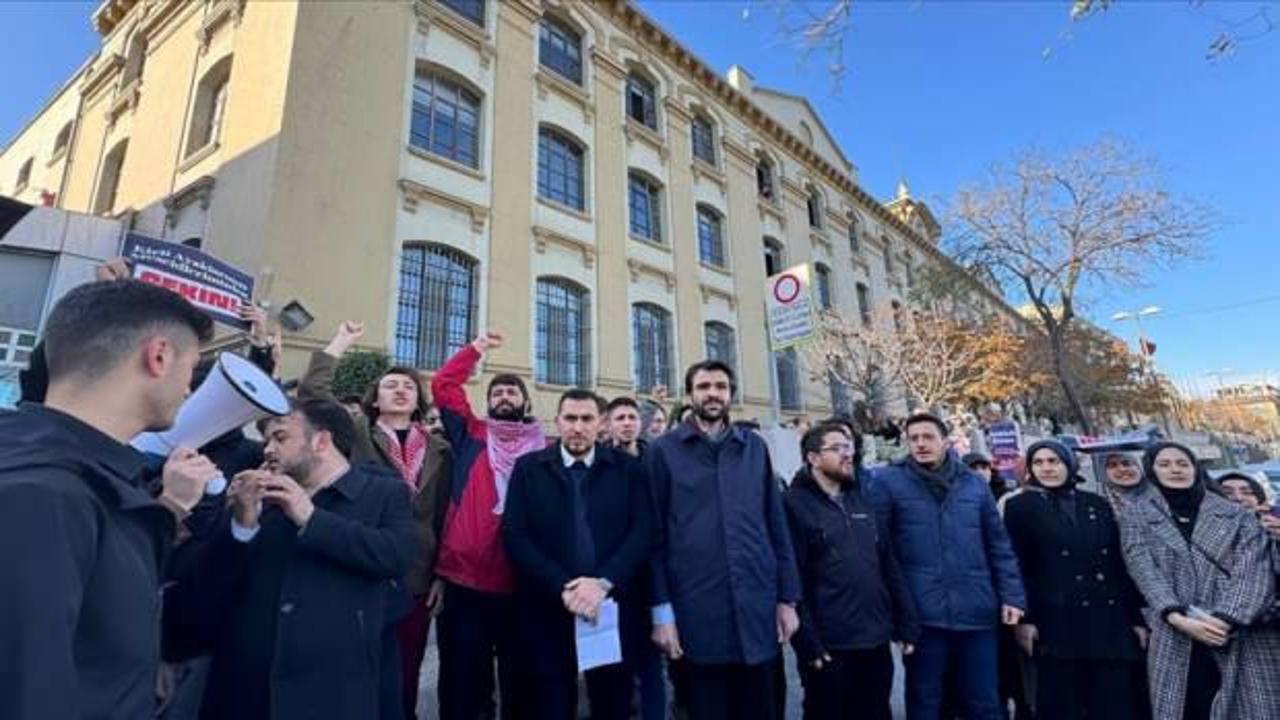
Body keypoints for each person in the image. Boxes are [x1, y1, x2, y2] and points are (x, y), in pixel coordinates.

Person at [0, 279, 216, 719]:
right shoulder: (44, 498)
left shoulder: (68, 480)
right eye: (192, 370)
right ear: (159, 356)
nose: (190, 390)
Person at [165, 398, 417, 719]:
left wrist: (310, 518)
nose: (268, 449)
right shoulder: (257, 497)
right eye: (267, 439)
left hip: (334, 690)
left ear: (321, 441)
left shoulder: (383, 492)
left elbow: (396, 555)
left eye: (280, 438)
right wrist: (240, 526)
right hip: (247, 690)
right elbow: (210, 583)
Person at [300, 320, 453, 719]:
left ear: (418, 399)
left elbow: (442, 516)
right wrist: (340, 343)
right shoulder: (355, 434)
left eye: (408, 386)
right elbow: (313, 396)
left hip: (417, 576)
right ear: (375, 399)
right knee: (354, 668)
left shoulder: (439, 449)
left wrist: (441, 575)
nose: (400, 390)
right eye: (390, 385)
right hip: (359, 567)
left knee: (405, 671)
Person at [646, 360, 801, 720]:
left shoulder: (754, 449)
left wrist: (787, 598)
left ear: (731, 394)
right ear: (690, 395)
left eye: (720, 386)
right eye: (703, 386)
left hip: (756, 609)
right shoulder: (663, 451)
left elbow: (775, 525)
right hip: (696, 612)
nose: (712, 393)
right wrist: (661, 613)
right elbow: (653, 537)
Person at [502, 389, 655, 719]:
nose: (578, 427)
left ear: (600, 424)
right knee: (550, 704)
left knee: (613, 702)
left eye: (586, 419)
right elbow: (516, 536)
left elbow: (643, 532)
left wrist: (602, 583)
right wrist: (564, 586)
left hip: (610, 608)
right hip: (547, 607)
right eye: (570, 418)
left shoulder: (629, 471)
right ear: (557, 422)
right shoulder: (528, 469)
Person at [867, 412, 1026, 720]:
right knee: (926, 702)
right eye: (913, 439)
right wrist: (897, 613)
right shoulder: (888, 482)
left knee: (985, 701)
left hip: (976, 612)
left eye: (928, 437)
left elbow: (998, 545)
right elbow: (880, 551)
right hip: (922, 617)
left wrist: (1012, 595)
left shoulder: (973, 483)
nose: (921, 444)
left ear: (946, 442)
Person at [431, 330, 546, 720]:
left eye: (512, 392)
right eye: (497, 392)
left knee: (521, 682)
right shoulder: (470, 435)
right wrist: (475, 350)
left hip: (524, 585)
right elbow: (443, 385)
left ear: (526, 402)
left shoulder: (544, 448)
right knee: (465, 684)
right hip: (466, 583)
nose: (504, 397)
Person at [1119, 441, 1280, 720]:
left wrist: (1225, 618)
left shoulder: (1236, 515)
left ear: (1195, 468)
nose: (1175, 470)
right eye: (1165, 464)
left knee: (1251, 707)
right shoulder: (1135, 516)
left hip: (1238, 628)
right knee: (1188, 706)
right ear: (1151, 470)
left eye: (1182, 463)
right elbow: (1143, 569)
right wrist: (1175, 615)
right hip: (1176, 627)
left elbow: (1253, 570)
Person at [1003, 440, 1146, 720]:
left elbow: (1117, 564)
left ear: (1068, 464)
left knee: (1114, 703)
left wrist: (1135, 618)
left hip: (1108, 619)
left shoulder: (1097, 504)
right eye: (1039, 462)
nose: (1047, 468)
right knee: (1062, 703)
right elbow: (1017, 563)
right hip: (1055, 619)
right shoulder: (1020, 507)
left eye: (1053, 461)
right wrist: (1025, 619)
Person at [785, 423, 919, 720]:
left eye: (849, 447)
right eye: (836, 448)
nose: (847, 454)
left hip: (874, 640)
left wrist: (905, 619)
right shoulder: (793, 505)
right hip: (829, 647)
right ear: (813, 458)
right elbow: (792, 579)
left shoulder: (863, 499)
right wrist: (808, 643)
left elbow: (887, 564)